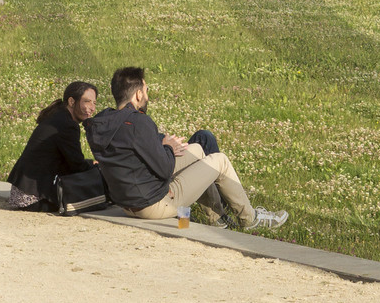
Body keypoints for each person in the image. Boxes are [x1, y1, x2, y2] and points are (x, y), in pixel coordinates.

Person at [85, 67, 285, 232]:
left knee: (197, 150)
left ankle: (217, 219)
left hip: (127, 200)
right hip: (152, 204)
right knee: (220, 161)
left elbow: (130, 155)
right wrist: (169, 148)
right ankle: (250, 219)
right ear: (138, 94)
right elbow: (164, 169)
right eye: (146, 91)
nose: (147, 95)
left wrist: (159, 145)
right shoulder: (139, 122)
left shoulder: (102, 122)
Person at [8, 80, 107, 211]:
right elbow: (76, 165)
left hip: (21, 194)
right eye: (87, 101)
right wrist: (94, 165)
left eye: (94, 103)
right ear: (72, 102)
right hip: (33, 198)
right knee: (100, 185)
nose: (92, 108)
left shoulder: (57, 116)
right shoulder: (67, 125)